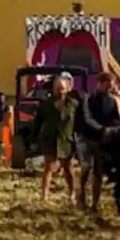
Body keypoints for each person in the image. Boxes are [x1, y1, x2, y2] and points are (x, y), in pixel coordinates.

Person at [76, 72, 120, 212]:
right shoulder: (88, 99)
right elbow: (87, 118)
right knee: (86, 167)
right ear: (100, 83)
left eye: (111, 86)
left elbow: (115, 119)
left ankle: (95, 203)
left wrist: (119, 127)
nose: (109, 89)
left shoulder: (112, 101)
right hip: (86, 137)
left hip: (102, 140)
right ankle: (82, 194)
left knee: (98, 172)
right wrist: (103, 129)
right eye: (107, 86)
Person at [35, 73, 79, 203]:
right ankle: (44, 195)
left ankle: (72, 194)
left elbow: (79, 123)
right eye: (58, 89)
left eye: (63, 89)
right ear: (54, 90)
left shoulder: (74, 105)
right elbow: (38, 121)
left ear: (68, 89)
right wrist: (35, 137)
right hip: (50, 138)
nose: (60, 92)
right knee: (48, 167)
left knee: (68, 167)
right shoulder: (46, 104)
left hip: (66, 140)